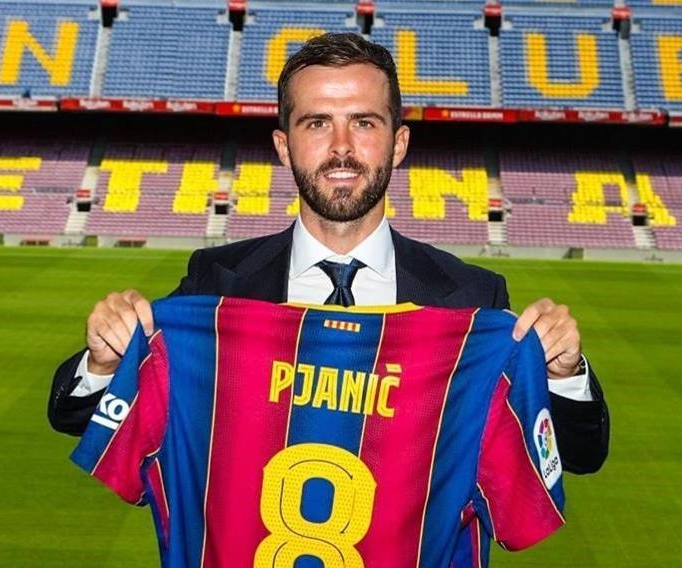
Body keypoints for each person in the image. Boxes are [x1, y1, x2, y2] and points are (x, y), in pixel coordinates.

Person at [48, 33, 608, 474]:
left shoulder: (471, 301)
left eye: (364, 122)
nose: (342, 146)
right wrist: (102, 362)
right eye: (317, 122)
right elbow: (81, 420)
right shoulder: (216, 285)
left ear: (399, 142)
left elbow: (575, 457)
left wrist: (563, 373)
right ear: (283, 145)